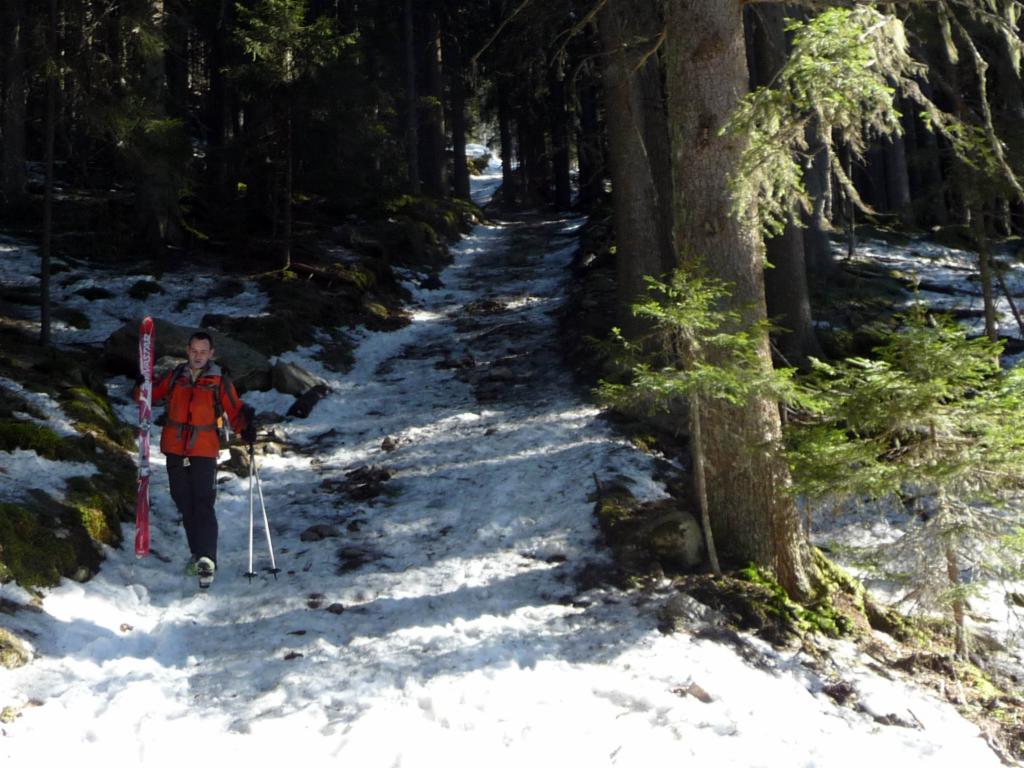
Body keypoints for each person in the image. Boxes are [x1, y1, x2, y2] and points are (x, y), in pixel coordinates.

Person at [137, 331, 256, 588]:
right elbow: (147, 397)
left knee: (203, 502)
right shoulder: (176, 376)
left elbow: (234, 410)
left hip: (203, 448)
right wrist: (142, 385)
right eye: (194, 351)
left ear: (211, 354)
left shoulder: (219, 380)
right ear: (187, 350)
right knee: (184, 502)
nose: (198, 356)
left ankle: (207, 558)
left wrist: (245, 426)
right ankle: (197, 553)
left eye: (204, 351)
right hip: (175, 448)